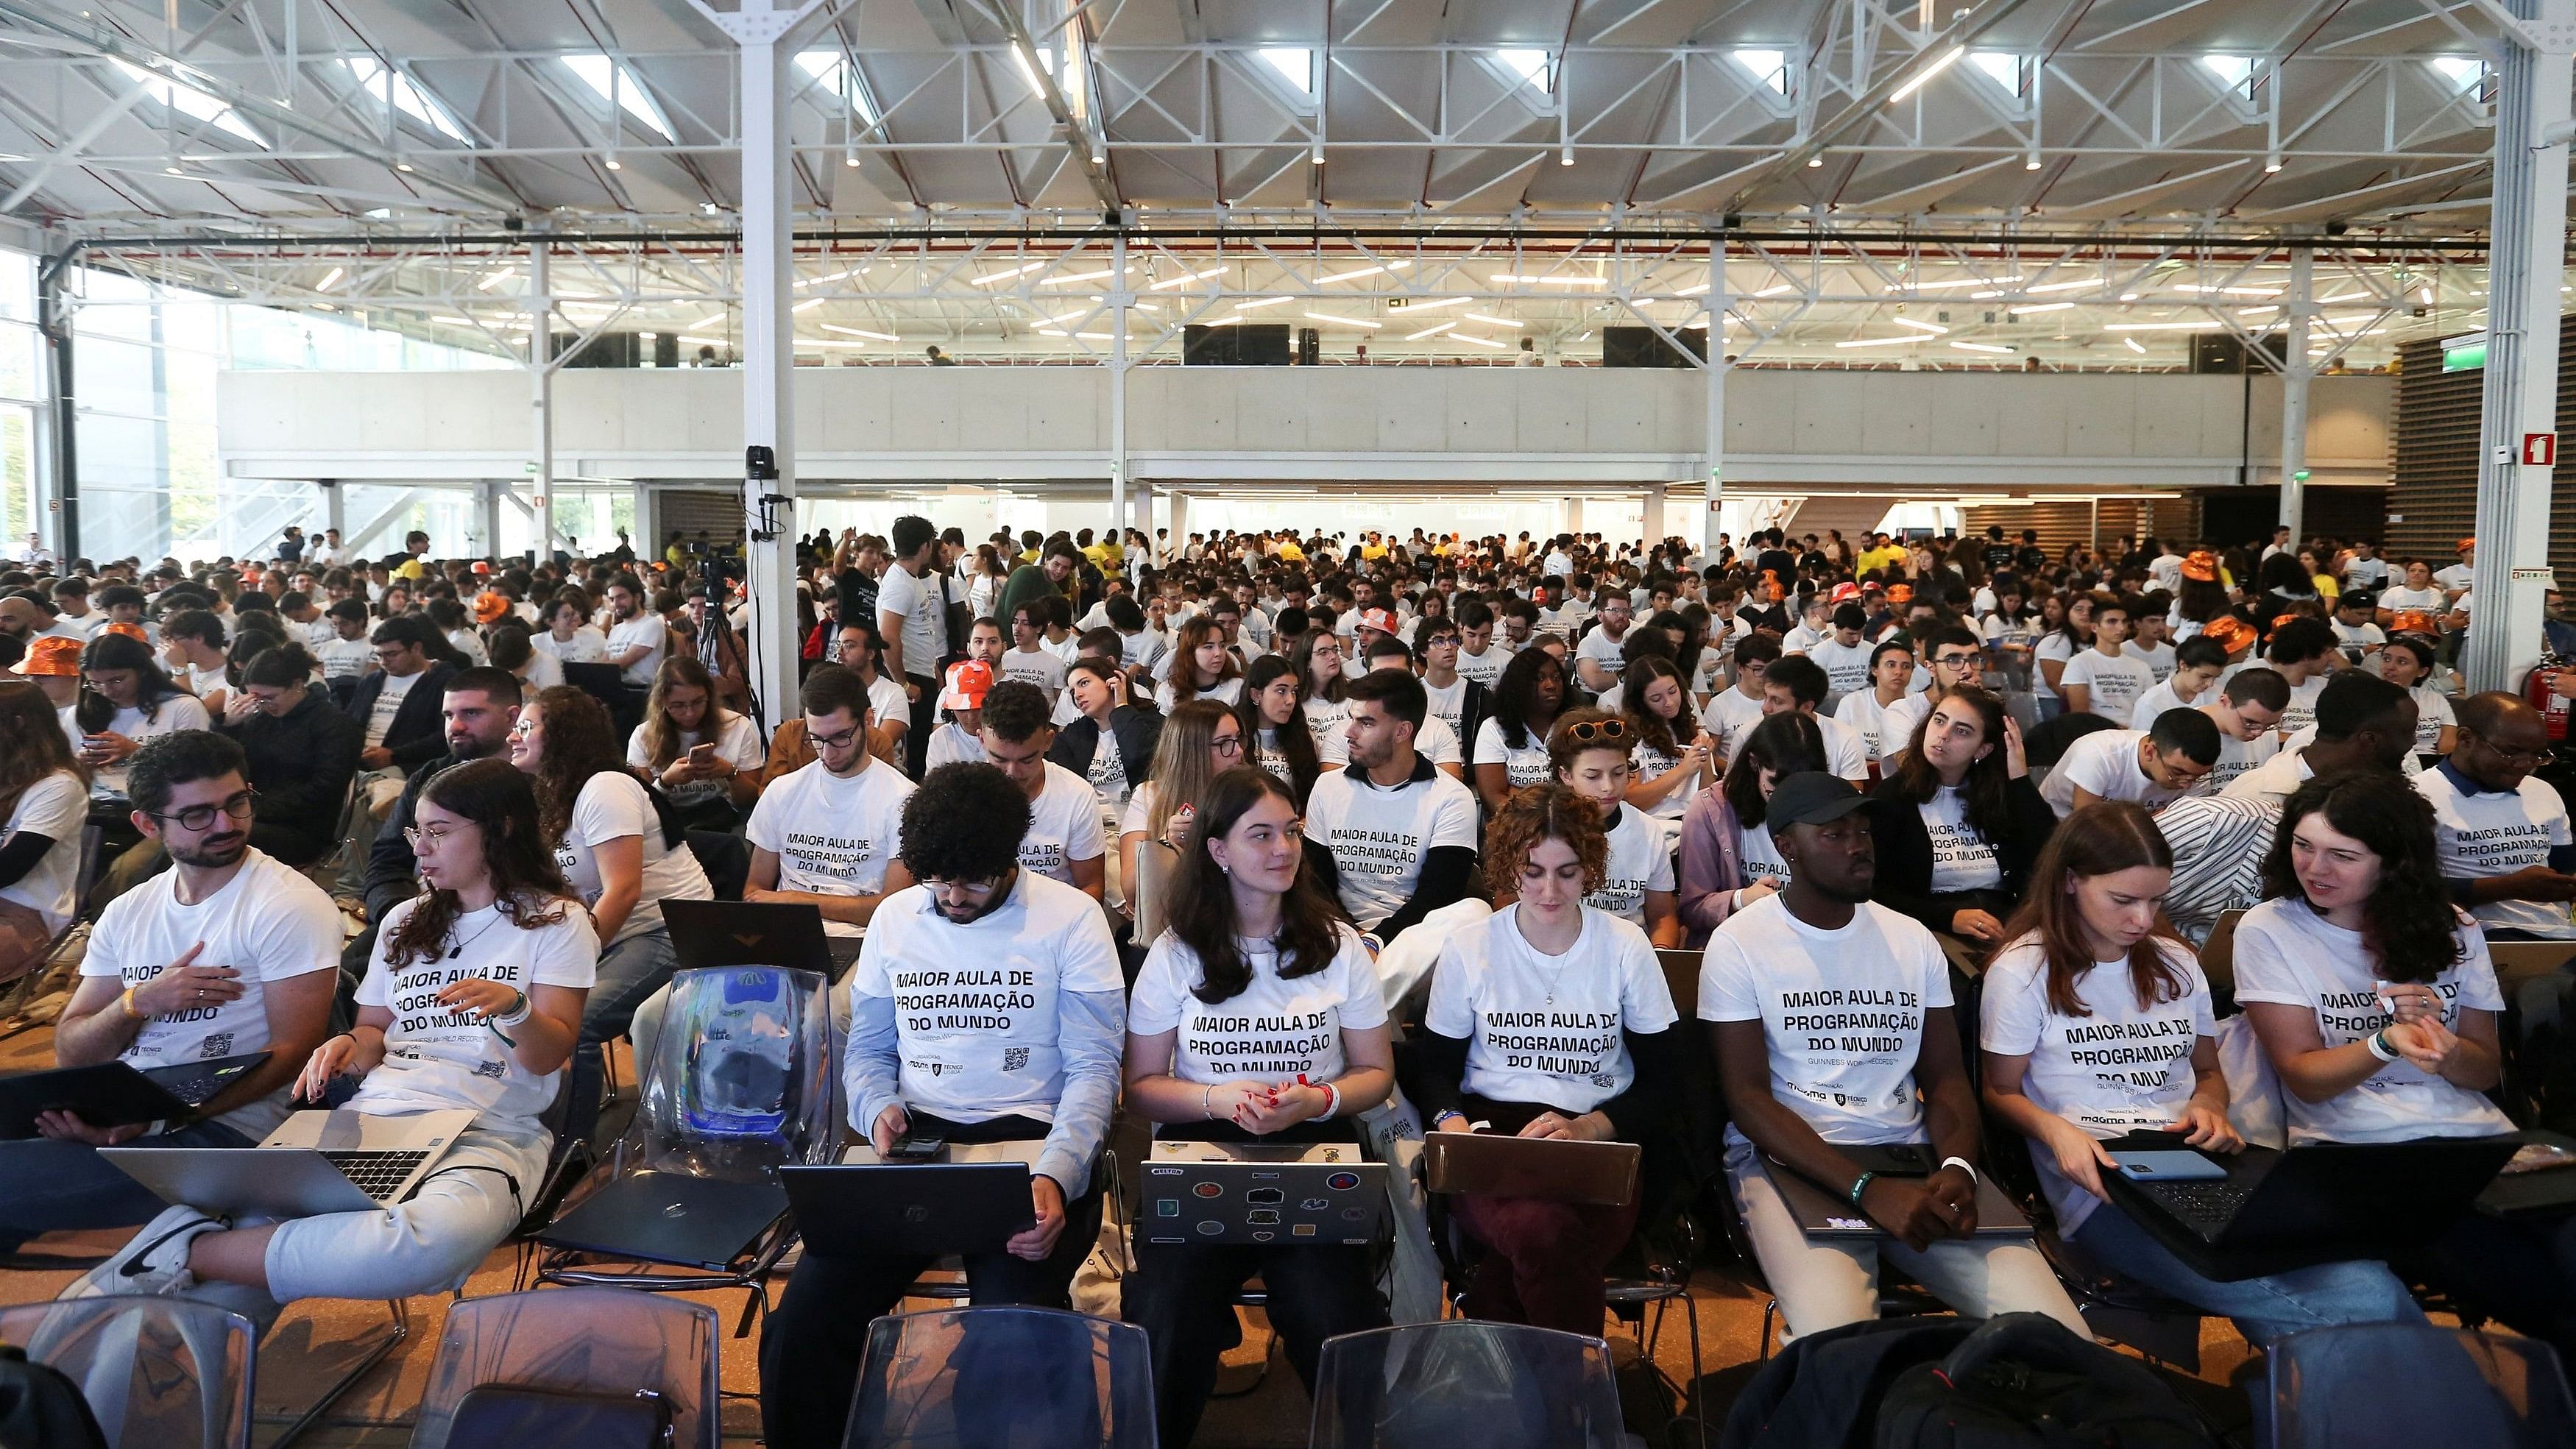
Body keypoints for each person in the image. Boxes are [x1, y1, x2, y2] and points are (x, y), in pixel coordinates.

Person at [70, 757, 595, 1319]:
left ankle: (186, 1246)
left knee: (428, 1243)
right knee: (224, 1291)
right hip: (378, 1118)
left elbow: (548, 1056)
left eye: (439, 833)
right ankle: (128, 1352)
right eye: (417, 831)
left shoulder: (557, 921)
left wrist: (513, 1008)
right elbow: (372, 1033)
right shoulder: (405, 921)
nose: (420, 848)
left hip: (491, 1127)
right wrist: (348, 1047)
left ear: (502, 827)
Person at [760, 764, 1123, 1449]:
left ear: (1009, 857)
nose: (955, 897)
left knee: (1010, 1329)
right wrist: (876, 1109)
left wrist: (1057, 1174)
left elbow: (1094, 1071)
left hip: (1032, 1146)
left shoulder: (1071, 918)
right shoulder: (897, 918)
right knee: (803, 1320)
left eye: (974, 881)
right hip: (921, 1143)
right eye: (940, 880)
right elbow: (866, 1052)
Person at [1979, 798, 2427, 1347]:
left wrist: (2210, 1105)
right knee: (2349, 1300)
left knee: (2361, 1276)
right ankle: (2436, 1404)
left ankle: (2342, 1408)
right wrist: (2056, 1131)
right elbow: (1999, 1090)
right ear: (2071, 881)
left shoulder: (2173, 960)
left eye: (2155, 900)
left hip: (2195, 1162)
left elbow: (2207, 1071)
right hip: (2100, 1183)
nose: (2142, 919)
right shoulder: (2025, 968)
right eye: (2123, 900)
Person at [1699, 771, 2088, 1339]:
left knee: (2060, 1335)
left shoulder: (1911, 938)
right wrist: (1867, 1190)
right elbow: (1749, 1101)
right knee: (1836, 1341)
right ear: (1787, 846)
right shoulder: (1740, 943)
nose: (1858, 845)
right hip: (1790, 1159)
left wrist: (1957, 1166)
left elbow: (1946, 1077)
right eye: (1834, 834)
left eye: (1863, 831)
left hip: (1909, 1157)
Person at [2234, 770, 2576, 1363]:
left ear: (2394, 863)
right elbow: (2304, 1076)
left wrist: (2446, 1053)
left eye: (2343, 854)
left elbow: (2485, 1070)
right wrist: (2385, 1044)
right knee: (2544, 1293)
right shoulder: (2271, 928)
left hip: (2475, 1142)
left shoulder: (2452, 925)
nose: (2315, 868)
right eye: (2303, 844)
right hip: (2361, 1153)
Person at [1121, 768, 1394, 1444]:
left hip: (1313, 1141)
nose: (1284, 849)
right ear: (1217, 851)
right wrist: (1217, 1094)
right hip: (1204, 1139)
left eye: (1293, 832)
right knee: (1168, 1307)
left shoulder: (1336, 945)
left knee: (1333, 1308)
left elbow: (1376, 1074)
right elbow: (1142, 1087)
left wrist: (1317, 1098)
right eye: (1262, 834)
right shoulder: (1175, 953)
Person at [0, 732, 337, 1261]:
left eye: (237, 803)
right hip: (126, 1108)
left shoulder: (287, 903)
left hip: (222, 1132)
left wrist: (163, 1120)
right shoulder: (130, 910)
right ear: (148, 825)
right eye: (198, 814)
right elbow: (73, 1048)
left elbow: (293, 1052)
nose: (227, 824)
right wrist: (138, 1002)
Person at [1420, 783, 1682, 1333]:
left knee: (1531, 1246)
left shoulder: (1625, 945)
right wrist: (1455, 1124)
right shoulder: (1472, 946)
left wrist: (1588, 1127)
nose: (1548, 889)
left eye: (1567, 871)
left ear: (1590, 866)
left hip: (1598, 1140)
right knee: (1543, 1235)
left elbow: (1667, 1081)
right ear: (1508, 865)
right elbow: (1434, 1066)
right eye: (1533, 870)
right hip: (1495, 1135)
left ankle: (1524, 1394)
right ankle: (1575, 1401)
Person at [512, 685, 713, 1134]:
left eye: (525, 727)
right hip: (615, 936)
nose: (513, 736)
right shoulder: (552, 793)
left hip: (669, 931)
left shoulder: (605, 788)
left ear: (563, 734)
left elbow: (623, 890)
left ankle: (568, 1156)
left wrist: (570, 958)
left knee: (568, 1026)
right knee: (521, 1009)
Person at [1870, 686, 2055, 952]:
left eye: (1962, 731)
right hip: (1928, 927)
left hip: (2005, 921)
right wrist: (1949, 918)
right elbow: (1874, 890)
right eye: (1939, 720)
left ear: (1983, 750)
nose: (1943, 735)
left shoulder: (1999, 794)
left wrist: (2019, 778)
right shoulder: (1893, 797)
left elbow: (2050, 854)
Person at [1303, 670, 1479, 943]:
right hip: (1338, 930)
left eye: (1366, 723)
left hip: (1415, 937)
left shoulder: (1451, 797)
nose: (1349, 733)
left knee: (1473, 913)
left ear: (1402, 732)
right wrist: (1352, 939)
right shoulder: (1328, 787)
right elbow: (1317, 884)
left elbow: (1437, 897)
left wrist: (1376, 941)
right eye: (1352, 719)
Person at [744, 665, 918, 940]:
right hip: (784, 934)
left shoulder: (903, 799)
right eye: (816, 739)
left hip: (863, 940)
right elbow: (754, 892)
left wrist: (801, 902)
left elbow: (895, 907)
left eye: (840, 737)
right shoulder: (782, 792)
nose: (827, 753)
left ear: (868, 720)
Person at [2416, 692, 2576, 939]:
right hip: (2475, 937)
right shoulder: (2419, 796)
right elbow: (2404, 890)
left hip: (2556, 932)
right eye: (2512, 753)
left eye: (2537, 755)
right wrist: (2509, 887)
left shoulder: (2541, 791)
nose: (2526, 764)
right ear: (2466, 738)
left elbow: (2565, 867)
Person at [1676, 712, 1827, 946]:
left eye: (1799, 785)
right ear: (1754, 763)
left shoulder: (1831, 809)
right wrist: (1741, 899)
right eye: (1776, 783)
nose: (1787, 796)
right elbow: (1692, 909)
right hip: (1738, 944)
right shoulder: (1710, 809)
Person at [1536, 711, 1682, 946]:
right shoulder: (1542, 828)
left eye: (1618, 773)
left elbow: (1662, 915)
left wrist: (1658, 953)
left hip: (1629, 952)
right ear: (1566, 775)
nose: (1608, 787)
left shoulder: (1647, 830)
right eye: (1593, 776)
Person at [221, 642, 363, 868]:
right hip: (257, 815)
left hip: (304, 828)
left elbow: (326, 790)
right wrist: (228, 727)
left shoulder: (334, 724)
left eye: (269, 697)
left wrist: (256, 810)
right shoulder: (261, 721)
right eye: (256, 699)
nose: (264, 705)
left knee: (219, 837)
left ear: (297, 685)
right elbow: (230, 768)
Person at [974, 681, 1106, 901]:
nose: (1012, 772)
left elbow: (1091, 888)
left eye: (1027, 759)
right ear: (981, 740)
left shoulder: (1076, 796)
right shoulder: (964, 795)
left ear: (1048, 741)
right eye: (999, 759)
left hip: (1055, 915)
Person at [0, 682, 87, 984]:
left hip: (29, 914)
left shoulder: (58, 785)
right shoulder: (7, 774)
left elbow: (10, 868)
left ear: (17, 725)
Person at [2221, 672, 2416, 804]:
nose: (2414, 741)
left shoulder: (2377, 792)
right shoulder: (2256, 799)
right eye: (2408, 731)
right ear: (2369, 740)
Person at [628, 653, 764, 832]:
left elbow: (751, 799)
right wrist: (665, 782)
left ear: (710, 696)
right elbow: (639, 805)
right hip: (668, 820)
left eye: (698, 702)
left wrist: (730, 773)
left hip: (723, 819)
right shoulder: (643, 735)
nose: (690, 713)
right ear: (662, 703)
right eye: (678, 705)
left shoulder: (738, 726)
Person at [1119, 700, 1241, 898]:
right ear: (1193, 752)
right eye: (1225, 743)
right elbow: (1131, 891)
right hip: (1174, 916)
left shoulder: (1248, 794)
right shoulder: (1149, 796)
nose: (1238, 751)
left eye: (1238, 739)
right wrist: (1167, 845)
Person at [880, 516, 958, 779]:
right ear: (926, 546)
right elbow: (888, 638)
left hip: (921, 672)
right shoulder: (900, 584)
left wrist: (933, 667)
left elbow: (919, 631)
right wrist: (903, 684)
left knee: (922, 745)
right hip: (910, 677)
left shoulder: (908, 579)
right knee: (918, 751)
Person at [2039, 708, 2221, 817]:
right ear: (2150, 751)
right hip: (2058, 819)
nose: (2186, 784)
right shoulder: (2100, 754)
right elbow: (2085, 828)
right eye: (2178, 773)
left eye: (2196, 777)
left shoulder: (2197, 774)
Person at [344, 617, 458, 775]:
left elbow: (445, 737)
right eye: (379, 655)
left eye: (391, 654)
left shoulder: (445, 681)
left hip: (410, 766)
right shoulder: (371, 681)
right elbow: (350, 723)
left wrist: (394, 755)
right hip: (360, 762)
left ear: (416, 648)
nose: (384, 662)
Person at [1473, 647, 1568, 813]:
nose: (1551, 685)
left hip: (1569, 822)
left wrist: (1519, 795)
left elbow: (1585, 791)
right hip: (1515, 828)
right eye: (1539, 679)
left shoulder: (1575, 723)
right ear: (1518, 685)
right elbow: (1493, 798)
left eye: (1556, 678)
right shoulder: (1494, 729)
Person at [1622, 656, 1710, 830]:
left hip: (1692, 823)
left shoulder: (1694, 730)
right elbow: (1630, 799)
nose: (1669, 703)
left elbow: (1706, 793)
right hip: (1652, 826)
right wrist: (1683, 770)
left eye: (1673, 691)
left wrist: (1705, 756)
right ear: (1640, 702)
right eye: (1656, 699)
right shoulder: (1630, 737)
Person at [1757, 655, 1869, 787]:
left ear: (1806, 707)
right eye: (1766, 697)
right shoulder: (1748, 734)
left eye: (1777, 701)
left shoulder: (1844, 738)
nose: (1765, 707)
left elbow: (1852, 794)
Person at [1238, 654, 1328, 806]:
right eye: (1281, 691)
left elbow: (1312, 794)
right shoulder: (1236, 736)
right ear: (1256, 695)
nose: (1290, 701)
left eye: (1294, 691)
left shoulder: (1303, 737)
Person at [1833, 639, 1925, 773]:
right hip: (1856, 773)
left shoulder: (1920, 705)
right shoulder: (1851, 703)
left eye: (1906, 666)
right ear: (1875, 670)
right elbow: (1837, 750)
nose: (1898, 672)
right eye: (1891, 665)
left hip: (1906, 776)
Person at [2060, 597, 2154, 726]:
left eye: (2124, 622)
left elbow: (2151, 708)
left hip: (2136, 734)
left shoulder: (2141, 666)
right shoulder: (2079, 662)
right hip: (2096, 734)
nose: (2121, 628)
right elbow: (2080, 714)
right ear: (2094, 627)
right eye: (2112, 622)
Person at [1699, 634, 1780, 762]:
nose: (1765, 675)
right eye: (1757, 669)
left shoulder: (1783, 700)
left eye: (1771, 668)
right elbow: (1710, 755)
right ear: (1740, 667)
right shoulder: (1719, 704)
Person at [2379, 636, 2459, 758]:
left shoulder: (2435, 700)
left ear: (2422, 672)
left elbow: (2448, 743)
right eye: (2386, 659)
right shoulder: (2367, 697)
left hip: (2431, 763)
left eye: (2402, 662)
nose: (2390, 667)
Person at [601, 575, 666, 691]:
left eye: (621, 597)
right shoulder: (616, 629)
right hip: (617, 690)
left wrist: (589, 670)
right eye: (612, 599)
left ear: (637, 597)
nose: (616, 604)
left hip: (642, 693)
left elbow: (625, 661)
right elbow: (604, 659)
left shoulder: (652, 624)